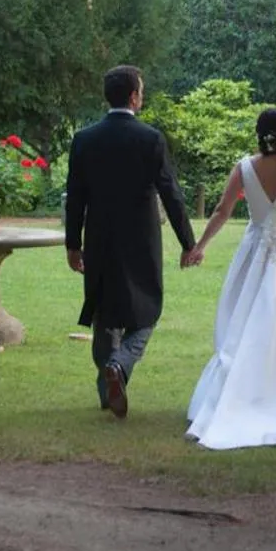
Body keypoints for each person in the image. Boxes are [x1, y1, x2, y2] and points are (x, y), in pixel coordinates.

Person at [182, 107, 276, 450]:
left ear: (258, 133)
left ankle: (243, 390)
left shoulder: (244, 168)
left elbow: (222, 210)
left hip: (253, 253)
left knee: (244, 321)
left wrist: (200, 246)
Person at [64, 65, 198, 419]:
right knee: (147, 311)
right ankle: (119, 365)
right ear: (134, 97)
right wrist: (188, 243)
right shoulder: (150, 138)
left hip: (99, 238)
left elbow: (75, 198)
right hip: (141, 239)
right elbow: (171, 193)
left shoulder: (84, 139)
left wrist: (72, 244)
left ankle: (107, 389)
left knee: (104, 311)